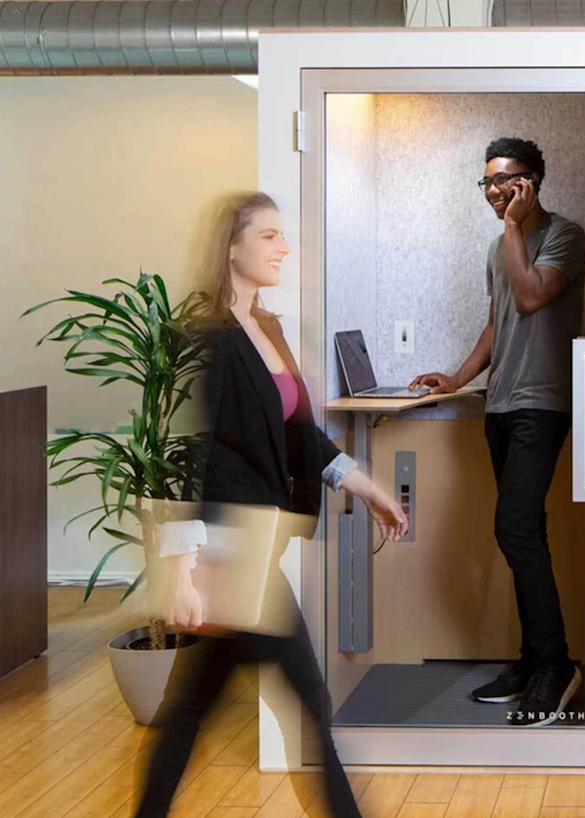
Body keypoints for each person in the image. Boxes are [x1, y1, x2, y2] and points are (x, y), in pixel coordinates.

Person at [133, 192, 407, 818]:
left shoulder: (268, 327)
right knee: (307, 704)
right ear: (231, 247)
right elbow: (182, 451)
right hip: (226, 551)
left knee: (189, 713)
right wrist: (179, 569)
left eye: (284, 235)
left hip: (256, 545)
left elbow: (297, 433)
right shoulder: (204, 335)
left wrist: (366, 488)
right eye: (269, 236)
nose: (284, 246)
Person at [410, 138, 585, 727]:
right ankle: (533, 659)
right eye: (487, 182)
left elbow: (534, 296)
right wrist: (456, 378)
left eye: (507, 180)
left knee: (514, 529)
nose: (495, 191)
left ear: (533, 181)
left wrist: (514, 226)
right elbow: (498, 321)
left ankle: (556, 666)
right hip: (501, 403)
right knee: (523, 534)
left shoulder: (564, 235)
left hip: (543, 402)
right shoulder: (497, 247)